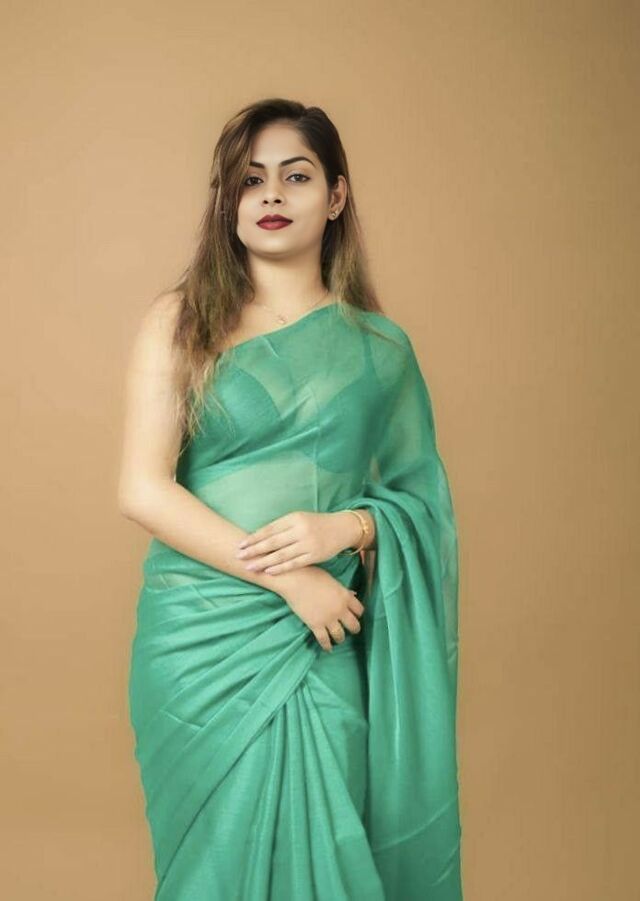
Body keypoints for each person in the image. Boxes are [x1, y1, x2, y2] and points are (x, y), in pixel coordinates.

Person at [118, 97, 463, 900]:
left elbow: (423, 503)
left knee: (329, 843)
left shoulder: (380, 349)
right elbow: (142, 487)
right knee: (212, 865)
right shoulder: (181, 322)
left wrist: (349, 526)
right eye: (250, 180)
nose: (271, 194)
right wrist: (288, 577)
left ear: (336, 196)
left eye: (296, 176)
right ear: (228, 200)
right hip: (199, 637)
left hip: (319, 636)